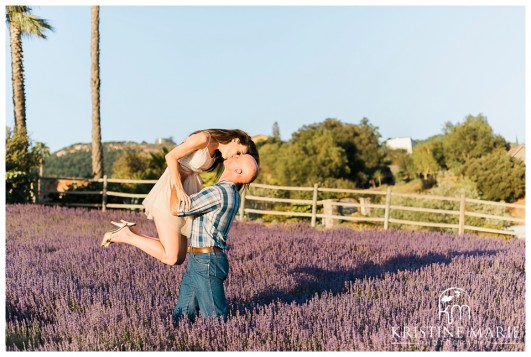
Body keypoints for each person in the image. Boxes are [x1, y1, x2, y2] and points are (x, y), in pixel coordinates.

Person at [100, 129, 259, 266]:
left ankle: (130, 232)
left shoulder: (216, 152)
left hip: (186, 189)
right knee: (172, 256)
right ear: (235, 139)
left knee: (179, 256)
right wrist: (179, 188)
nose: (235, 157)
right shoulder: (204, 138)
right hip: (174, 189)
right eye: (238, 152)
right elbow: (170, 157)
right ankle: (126, 235)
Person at [172, 153, 259, 322]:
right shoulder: (230, 192)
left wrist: (175, 176)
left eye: (239, 156)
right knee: (182, 316)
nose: (235, 154)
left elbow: (177, 208)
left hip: (207, 260)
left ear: (238, 169)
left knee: (215, 321)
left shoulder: (219, 192)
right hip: (201, 259)